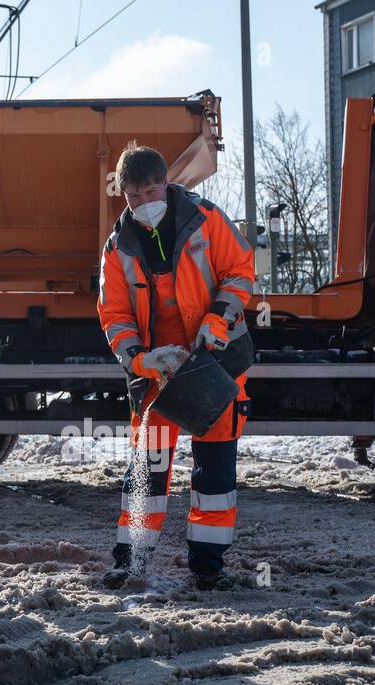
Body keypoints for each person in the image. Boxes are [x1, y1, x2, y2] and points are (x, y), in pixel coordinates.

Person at [96, 146, 255, 590]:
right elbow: (115, 316)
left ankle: (207, 567)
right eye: (132, 195)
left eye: (150, 190)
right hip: (158, 374)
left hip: (216, 360)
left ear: (165, 183)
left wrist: (215, 321)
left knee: (215, 469)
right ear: (123, 196)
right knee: (147, 467)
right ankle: (131, 561)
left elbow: (240, 271)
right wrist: (144, 361)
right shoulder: (117, 248)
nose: (143, 201)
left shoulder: (207, 219)